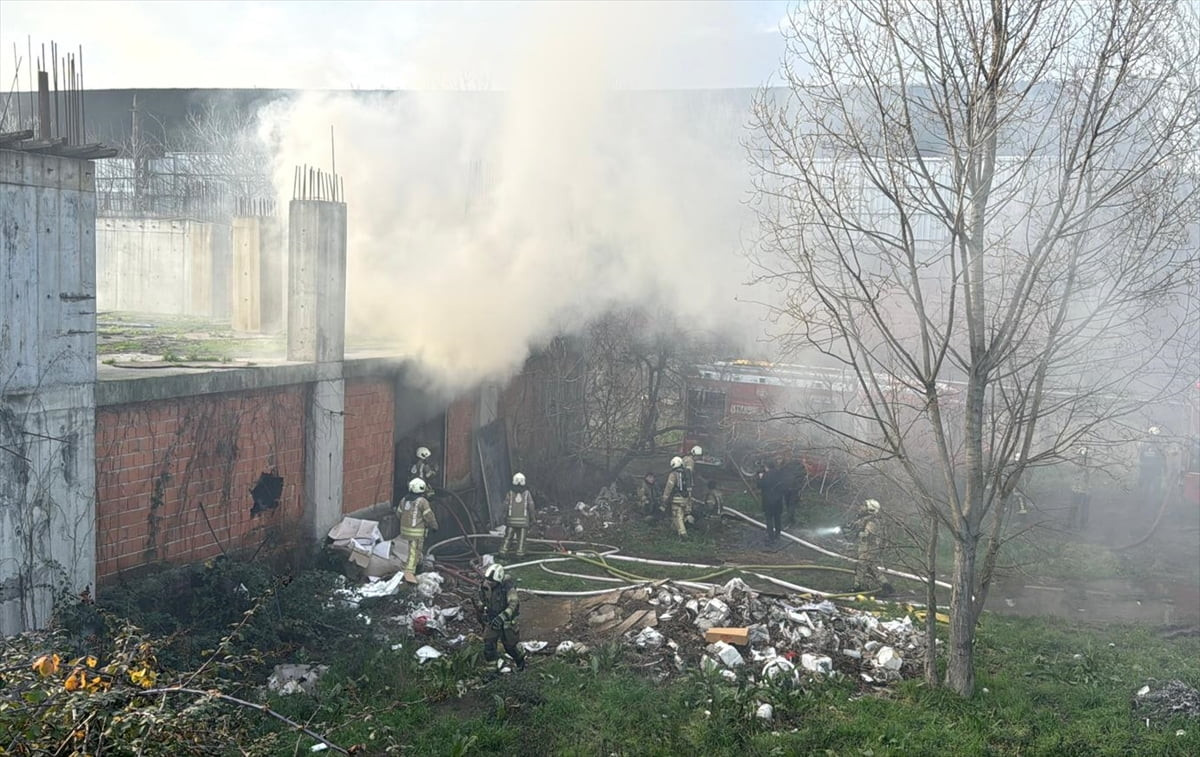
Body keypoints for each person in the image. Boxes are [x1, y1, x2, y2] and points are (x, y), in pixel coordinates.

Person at [476, 563, 526, 671]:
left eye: (492, 582)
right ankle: (492, 670)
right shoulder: (485, 586)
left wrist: (503, 616)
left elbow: (513, 602)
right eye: (488, 581)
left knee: (510, 647)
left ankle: (520, 662)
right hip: (492, 619)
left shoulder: (507, 586)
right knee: (489, 644)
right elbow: (482, 600)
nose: (489, 583)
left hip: (507, 620)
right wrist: (482, 610)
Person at [398, 477, 439, 581]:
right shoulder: (422, 501)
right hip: (416, 532)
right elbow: (429, 516)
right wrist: (434, 526)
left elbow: (398, 514)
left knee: (414, 551)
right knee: (414, 552)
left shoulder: (403, 500)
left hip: (404, 530)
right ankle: (409, 575)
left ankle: (417, 566)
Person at [845, 498, 882, 591]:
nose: (861, 507)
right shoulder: (864, 519)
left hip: (869, 548)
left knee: (861, 566)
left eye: (864, 506)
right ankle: (886, 587)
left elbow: (866, 535)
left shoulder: (872, 521)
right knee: (871, 568)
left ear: (870, 509)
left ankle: (858, 587)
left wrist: (857, 532)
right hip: (865, 548)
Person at [500, 472, 536, 558]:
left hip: (511, 521)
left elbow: (505, 506)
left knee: (508, 537)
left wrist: (504, 517)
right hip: (523, 522)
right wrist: (533, 518)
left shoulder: (510, 493)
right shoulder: (527, 493)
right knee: (521, 539)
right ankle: (520, 554)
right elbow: (531, 506)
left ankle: (503, 552)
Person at [757, 460, 786, 543]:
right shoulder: (780, 473)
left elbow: (759, 485)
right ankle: (778, 534)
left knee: (769, 518)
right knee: (777, 518)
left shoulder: (765, 475)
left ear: (767, 467)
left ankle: (771, 537)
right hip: (778, 500)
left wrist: (760, 478)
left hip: (768, 500)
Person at [662, 456, 691, 538]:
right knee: (681, 515)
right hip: (686, 499)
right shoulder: (687, 473)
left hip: (676, 499)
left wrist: (664, 498)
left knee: (677, 516)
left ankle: (683, 534)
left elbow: (669, 487)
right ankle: (674, 530)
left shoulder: (673, 474)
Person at [1069, 446, 1091, 530]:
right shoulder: (1076, 463)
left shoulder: (1090, 463)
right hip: (1076, 489)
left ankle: (1083, 524)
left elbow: (1090, 475)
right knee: (1074, 506)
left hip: (1086, 490)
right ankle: (1071, 523)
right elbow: (1073, 471)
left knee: (1084, 508)